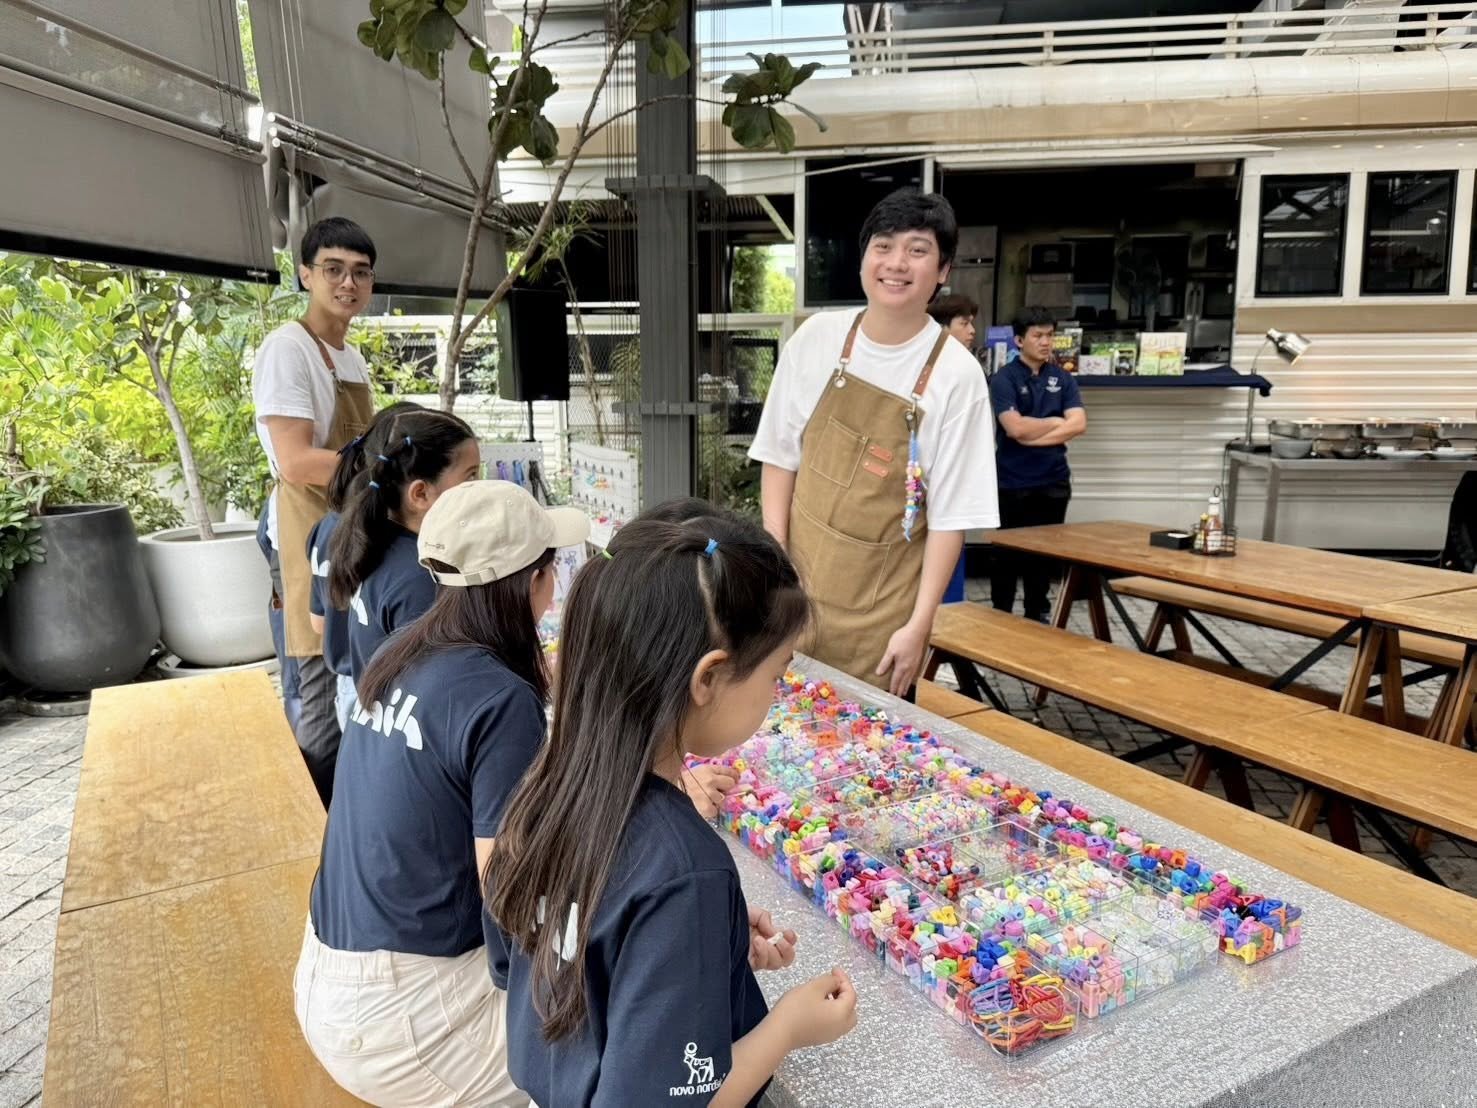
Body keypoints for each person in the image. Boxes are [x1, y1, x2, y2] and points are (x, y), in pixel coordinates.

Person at [488, 514, 858, 1107]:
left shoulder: (543, 790)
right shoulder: (685, 870)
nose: (776, 692)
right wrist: (788, 1027)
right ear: (708, 676)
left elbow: (537, 957)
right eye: (776, 673)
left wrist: (711, 944)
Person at [295, 480, 590, 1108]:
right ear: (533, 583)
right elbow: (513, 892)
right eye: (552, 569)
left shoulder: (401, 650)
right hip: (401, 1022)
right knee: (610, 1049)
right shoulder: (500, 699)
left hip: (331, 974)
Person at [750, 188, 1000, 697]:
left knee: (865, 744)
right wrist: (777, 567)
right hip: (794, 597)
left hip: (883, 620)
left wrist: (920, 626)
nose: (896, 263)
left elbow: (950, 519)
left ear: (943, 270)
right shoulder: (816, 338)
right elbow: (779, 459)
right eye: (883, 246)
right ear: (864, 258)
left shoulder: (958, 376)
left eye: (917, 250)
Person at [253, 217, 378, 805]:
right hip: (305, 531)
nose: (347, 283)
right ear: (305, 274)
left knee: (348, 674)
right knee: (317, 691)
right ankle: (312, 825)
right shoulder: (289, 349)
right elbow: (298, 461)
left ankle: (345, 816)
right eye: (333, 269)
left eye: (360, 272)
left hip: (345, 530)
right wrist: (392, 476)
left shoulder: (351, 357)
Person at [327, 408, 480, 702]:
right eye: (470, 476)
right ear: (420, 494)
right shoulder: (421, 579)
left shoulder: (375, 545)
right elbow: (440, 692)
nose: (479, 488)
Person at [307, 401, 420, 733]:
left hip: (348, 686)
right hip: (393, 695)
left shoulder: (326, 527)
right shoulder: (398, 545)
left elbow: (318, 623)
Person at [988, 306, 1088, 623]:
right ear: (1019, 340)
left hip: (1053, 481)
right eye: (1038, 336)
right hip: (1012, 481)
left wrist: (1034, 436)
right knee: (1006, 554)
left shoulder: (1063, 378)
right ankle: (1001, 615)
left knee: (1044, 554)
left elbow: (1078, 424)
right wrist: (1056, 423)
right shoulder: (1003, 379)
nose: (1046, 342)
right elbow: (1014, 428)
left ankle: (1037, 614)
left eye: (1050, 335)